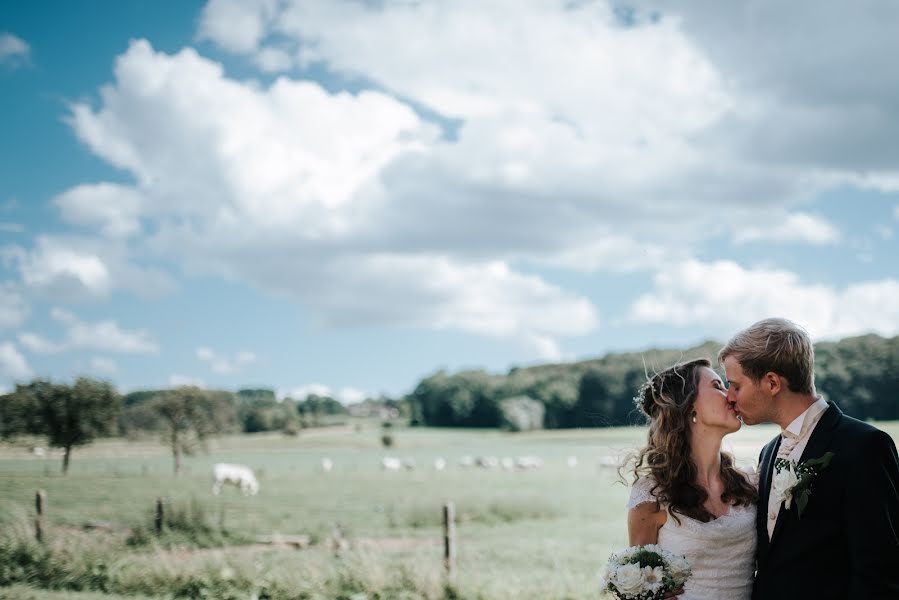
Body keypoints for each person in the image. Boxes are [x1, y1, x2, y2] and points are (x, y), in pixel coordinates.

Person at [720, 317, 899, 600]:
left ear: (772, 383)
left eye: (735, 386)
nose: (728, 397)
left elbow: (880, 571)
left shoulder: (864, 446)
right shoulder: (769, 452)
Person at [625, 358, 758, 600]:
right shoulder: (652, 493)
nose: (730, 395)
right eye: (718, 386)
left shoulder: (750, 483)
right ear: (689, 407)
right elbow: (640, 588)